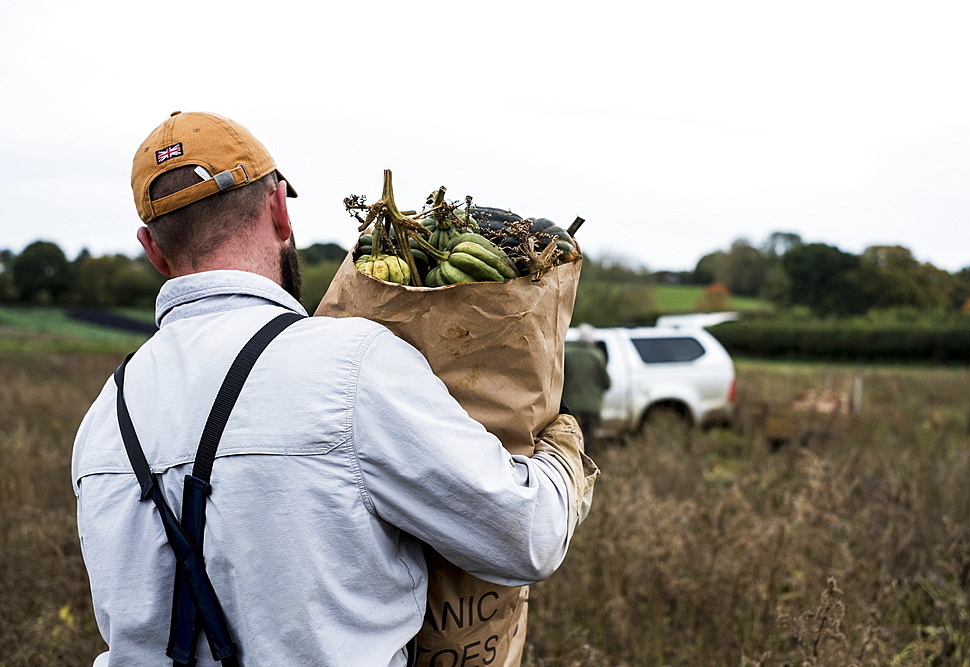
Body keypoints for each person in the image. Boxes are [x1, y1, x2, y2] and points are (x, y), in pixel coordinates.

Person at [71, 111, 596, 667]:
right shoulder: (351, 366)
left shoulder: (104, 417)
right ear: (279, 210)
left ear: (152, 249)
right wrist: (560, 443)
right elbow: (527, 534)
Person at [562, 324, 611, 447]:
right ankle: (586, 465)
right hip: (592, 409)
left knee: (573, 443)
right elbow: (607, 383)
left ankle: (574, 465)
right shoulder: (597, 355)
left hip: (571, 408)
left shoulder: (567, 354)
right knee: (588, 442)